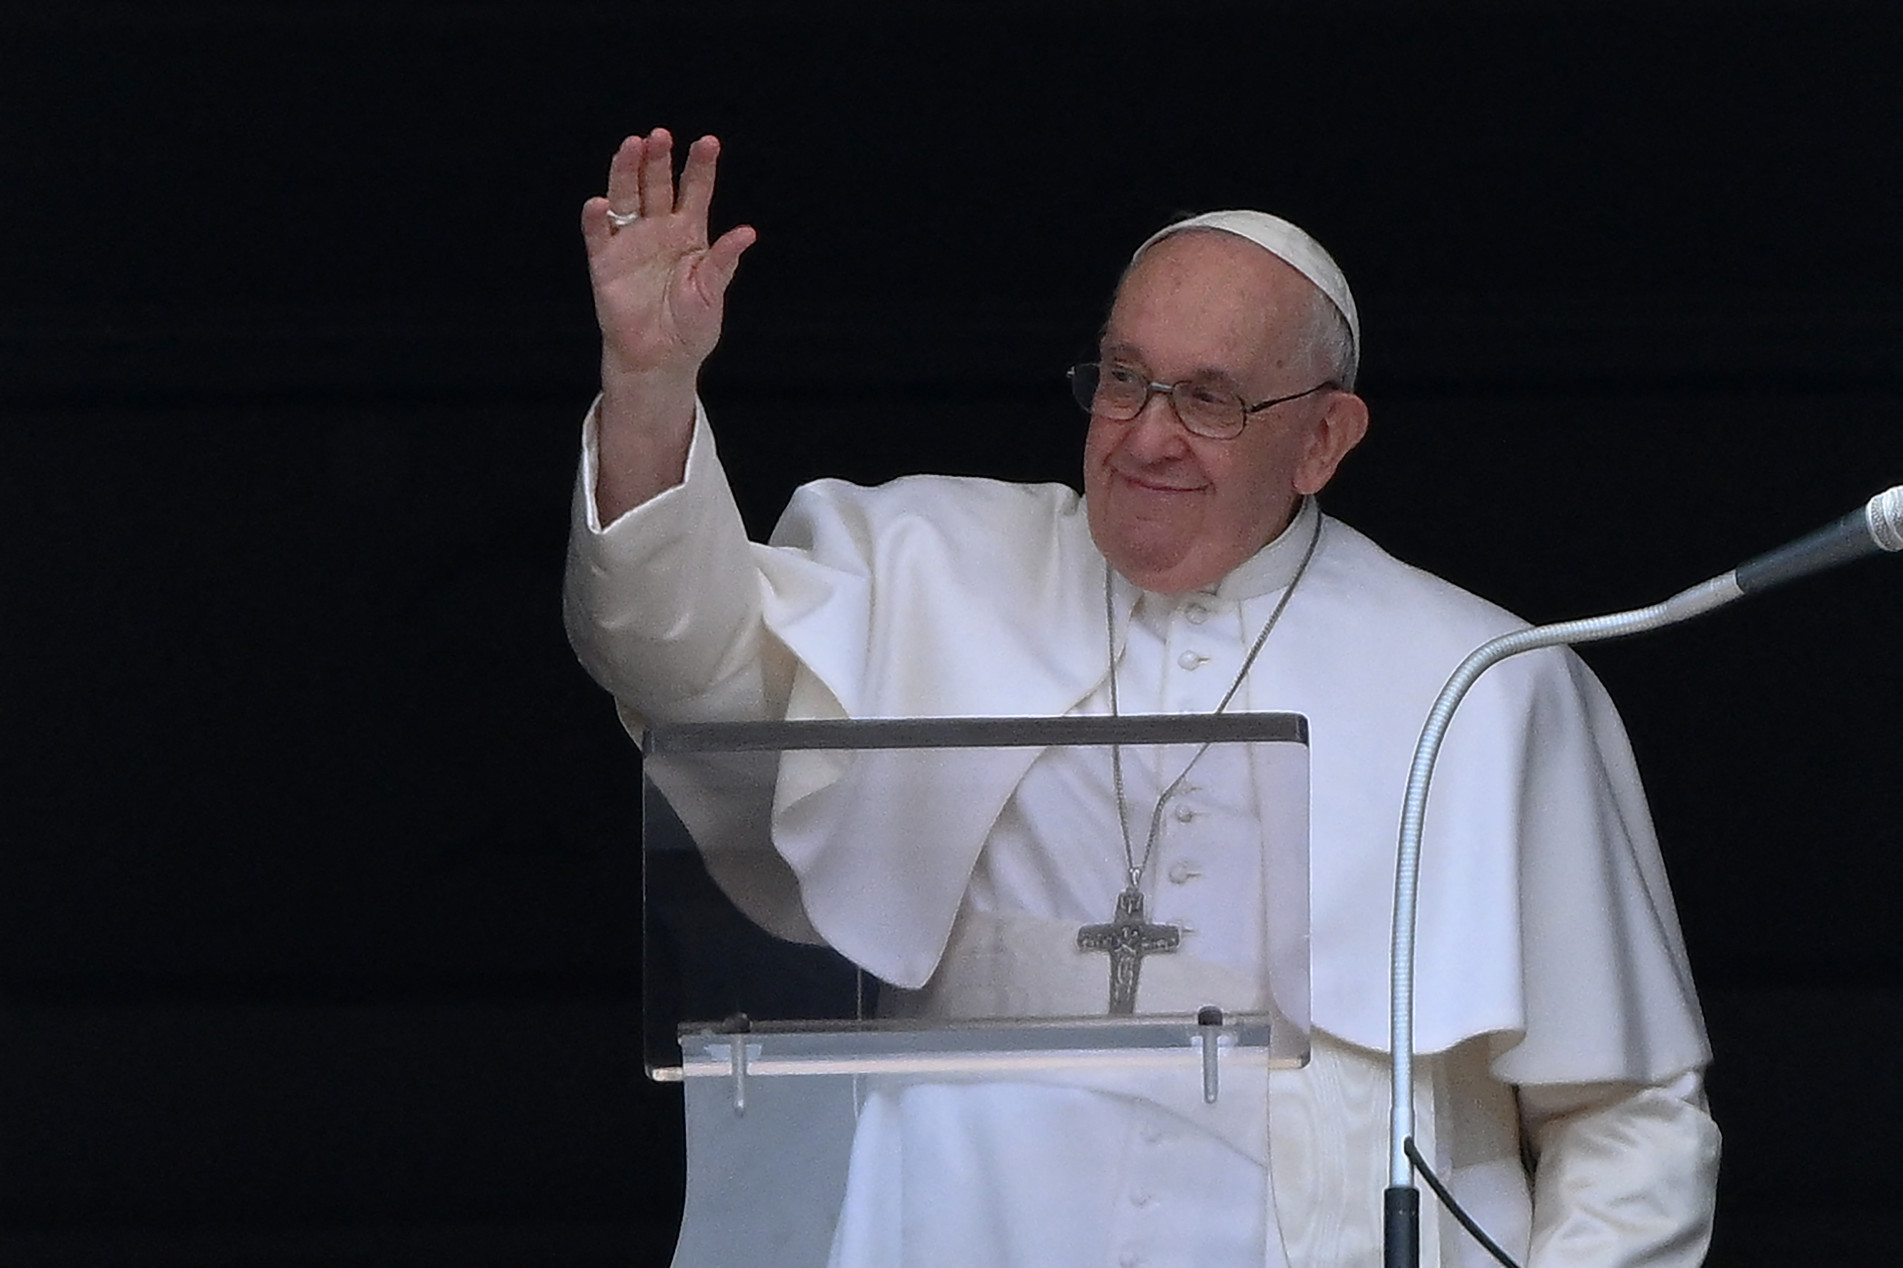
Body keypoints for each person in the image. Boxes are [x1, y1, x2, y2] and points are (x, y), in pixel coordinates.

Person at [564, 129, 1721, 1266]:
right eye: (1124, 379)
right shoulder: (924, 564)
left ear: (1323, 438)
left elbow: (1627, 1118)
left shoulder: (1483, 683)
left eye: (1210, 399)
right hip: (958, 1226)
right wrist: (651, 386)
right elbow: (679, 663)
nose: (1147, 437)